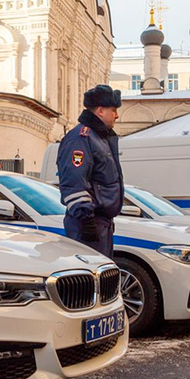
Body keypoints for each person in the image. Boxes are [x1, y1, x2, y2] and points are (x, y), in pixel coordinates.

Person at [57, 85, 124, 256]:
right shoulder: (81, 138)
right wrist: (86, 220)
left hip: (100, 224)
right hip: (87, 224)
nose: (117, 115)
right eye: (114, 110)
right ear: (101, 111)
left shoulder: (99, 138)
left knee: (102, 278)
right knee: (88, 278)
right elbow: (74, 181)